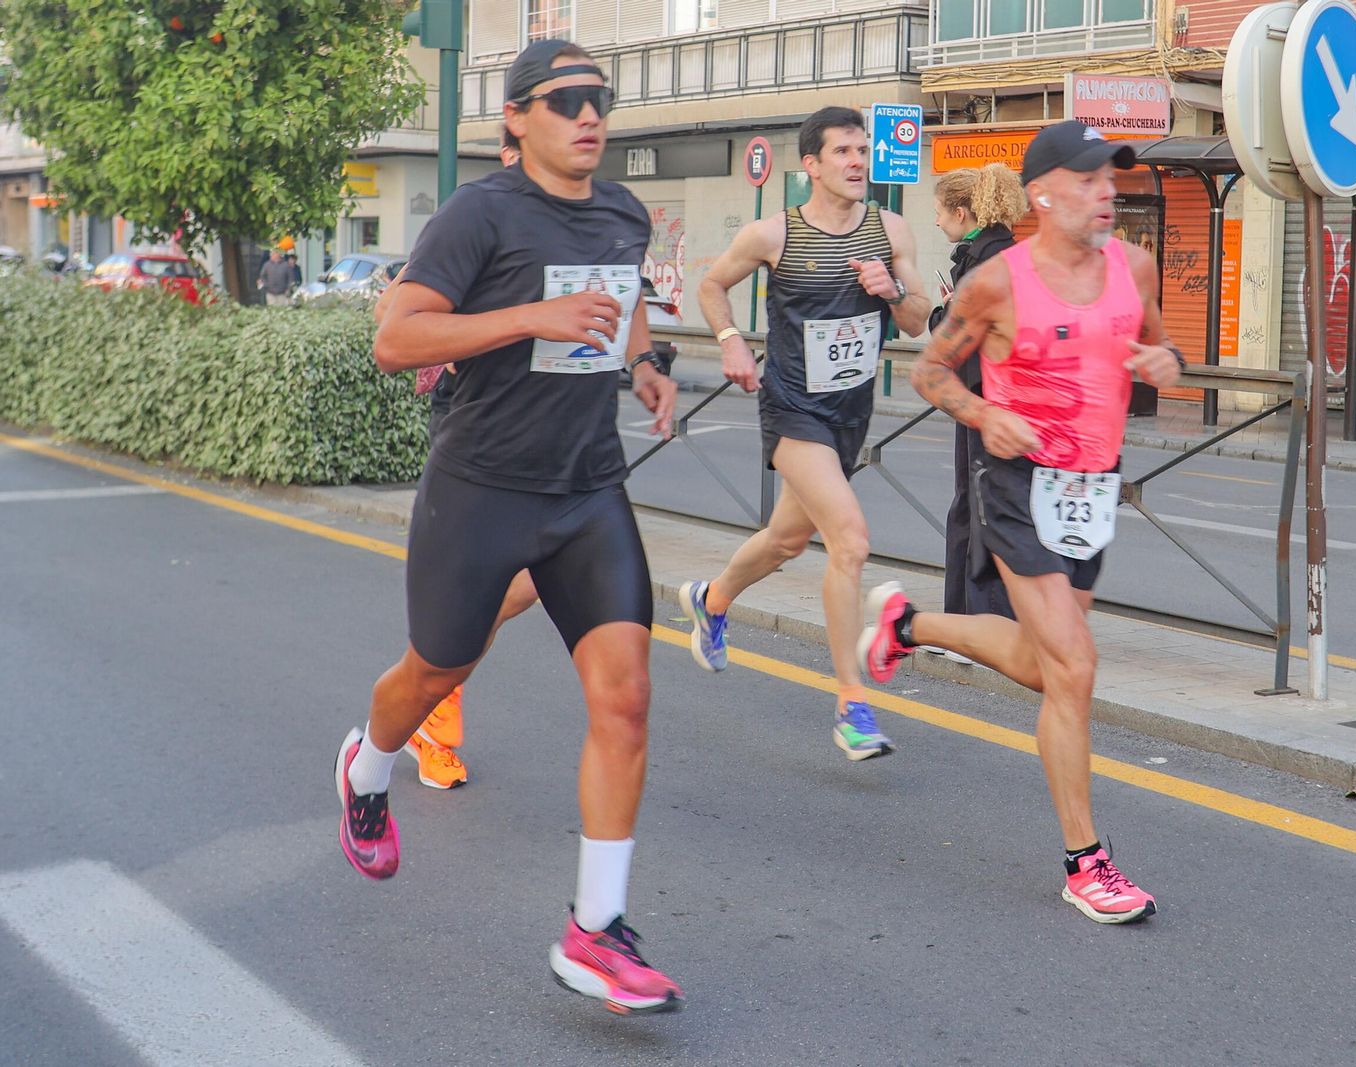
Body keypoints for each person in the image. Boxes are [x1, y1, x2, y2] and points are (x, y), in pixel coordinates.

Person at [338, 39, 684, 1013]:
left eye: (599, 99)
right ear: (518, 120)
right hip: (483, 484)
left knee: (624, 699)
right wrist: (529, 315)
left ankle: (595, 931)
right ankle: (366, 766)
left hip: (587, 489)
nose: (588, 114)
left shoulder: (620, 211)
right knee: (435, 669)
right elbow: (395, 338)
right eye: (566, 99)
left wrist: (648, 362)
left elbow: (619, 310)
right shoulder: (477, 214)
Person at [858, 121, 1184, 924]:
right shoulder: (996, 283)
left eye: (1112, 178)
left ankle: (909, 624)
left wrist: (1162, 364)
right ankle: (1087, 863)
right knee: (1073, 668)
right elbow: (930, 370)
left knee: (1048, 669)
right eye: (1089, 179)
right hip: (1015, 485)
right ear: (1043, 194)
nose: (1107, 191)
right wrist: (983, 414)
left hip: (1092, 492)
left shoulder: (1134, 266)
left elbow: (1156, 345)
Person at [682, 105, 931, 761]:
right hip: (792, 406)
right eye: (843, 152)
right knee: (849, 538)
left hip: (848, 413)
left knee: (787, 538)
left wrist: (892, 286)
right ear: (812, 165)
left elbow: (916, 321)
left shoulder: (891, 228)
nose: (857, 162)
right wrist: (731, 341)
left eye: (863, 151)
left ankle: (712, 598)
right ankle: (852, 704)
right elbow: (710, 285)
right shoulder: (774, 234)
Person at [373, 125, 539, 791]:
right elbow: (393, 313)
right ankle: (432, 706)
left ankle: (436, 677)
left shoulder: (578, 221)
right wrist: (448, 337)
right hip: (474, 428)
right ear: (510, 152)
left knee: (523, 584)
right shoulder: (477, 220)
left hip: (548, 432)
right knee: (490, 589)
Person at [929, 164, 1028, 632]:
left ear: (962, 211)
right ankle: (977, 619)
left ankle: (977, 622)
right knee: (986, 506)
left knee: (978, 508)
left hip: (982, 399)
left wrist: (943, 314)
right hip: (1002, 399)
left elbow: (955, 338)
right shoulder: (1009, 254)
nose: (935, 222)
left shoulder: (983, 263)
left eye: (939, 213)